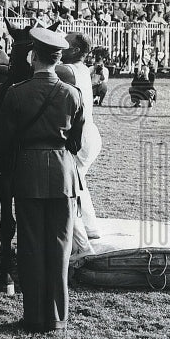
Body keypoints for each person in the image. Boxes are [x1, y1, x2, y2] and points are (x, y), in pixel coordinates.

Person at [0, 27, 83, 333]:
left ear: (33, 57)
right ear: (58, 58)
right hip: (62, 173)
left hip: (28, 171)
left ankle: (34, 315)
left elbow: (4, 141)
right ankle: (57, 317)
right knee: (60, 247)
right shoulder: (73, 94)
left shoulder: (16, 93)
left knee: (31, 246)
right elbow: (75, 141)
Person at [55, 33, 102, 251]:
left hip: (81, 136)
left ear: (74, 50)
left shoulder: (66, 70)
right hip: (90, 133)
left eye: (65, 43)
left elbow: (38, 71)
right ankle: (91, 229)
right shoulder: (81, 68)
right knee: (79, 182)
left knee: (69, 188)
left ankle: (83, 248)